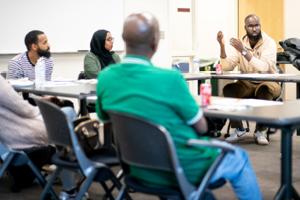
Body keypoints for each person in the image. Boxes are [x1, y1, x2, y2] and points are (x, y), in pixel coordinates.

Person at [96, 12, 262, 200]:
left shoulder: (105, 78)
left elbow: (109, 122)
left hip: (137, 168)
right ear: (155, 41)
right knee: (238, 157)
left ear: (124, 39)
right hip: (181, 165)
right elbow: (201, 127)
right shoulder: (171, 79)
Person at [0, 75, 86, 199]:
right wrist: (43, 110)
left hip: (5, 140)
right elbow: (25, 110)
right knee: (68, 113)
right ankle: (71, 184)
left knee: (65, 116)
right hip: (21, 134)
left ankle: (73, 169)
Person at [217, 14, 281, 145]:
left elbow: (263, 67)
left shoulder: (269, 42)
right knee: (228, 90)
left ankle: (260, 131)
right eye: (251, 26)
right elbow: (227, 67)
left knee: (265, 89)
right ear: (245, 27)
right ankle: (239, 129)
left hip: (269, 80)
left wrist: (244, 52)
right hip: (247, 82)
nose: (254, 29)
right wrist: (222, 46)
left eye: (257, 25)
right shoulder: (240, 43)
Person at [7, 30, 72, 107]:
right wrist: (42, 99)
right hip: (24, 102)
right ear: (34, 46)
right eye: (44, 43)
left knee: (67, 104)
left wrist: (50, 98)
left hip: (42, 99)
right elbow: (15, 94)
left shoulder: (48, 60)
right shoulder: (16, 63)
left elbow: (46, 86)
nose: (48, 45)